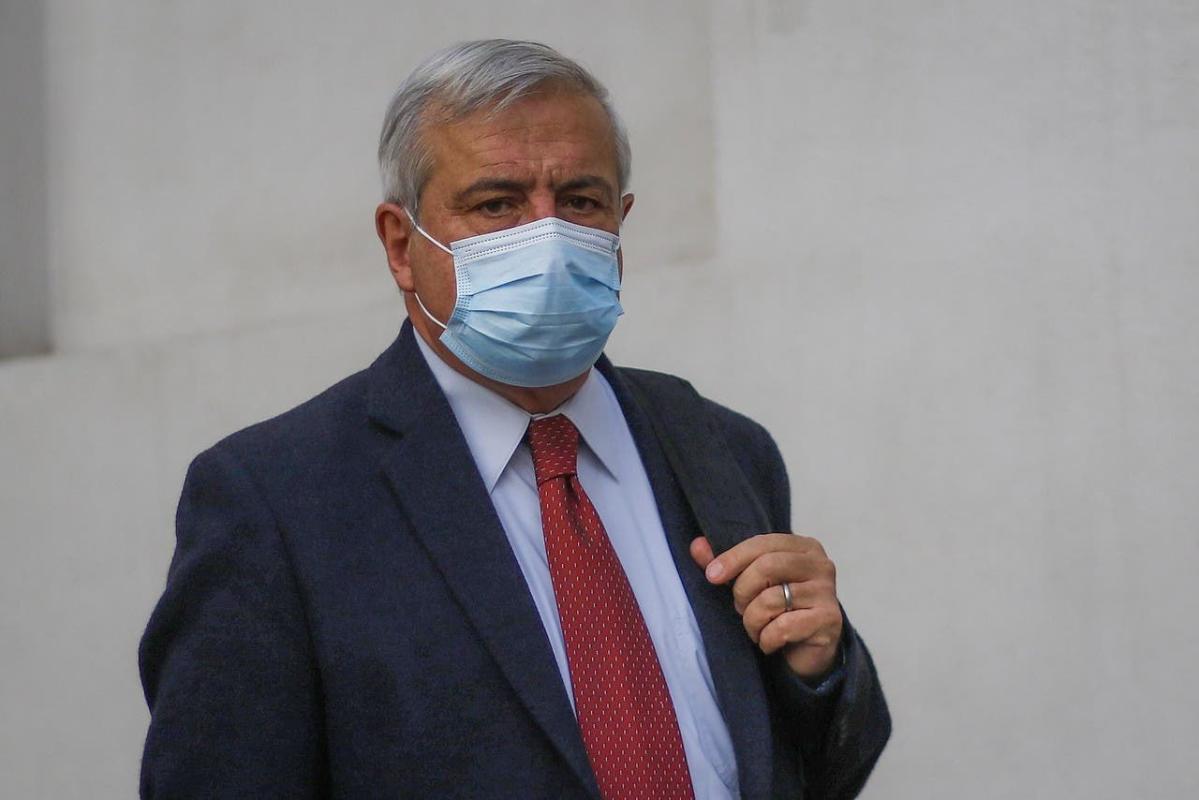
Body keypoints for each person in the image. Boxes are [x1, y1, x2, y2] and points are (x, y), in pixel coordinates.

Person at [138, 39, 890, 799]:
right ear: (401, 245)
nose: (549, 239)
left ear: (620, 222)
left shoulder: (719, 446)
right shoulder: (277, 498)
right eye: (496, 204)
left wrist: (821, 671)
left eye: (581, 201)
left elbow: (809, 770)